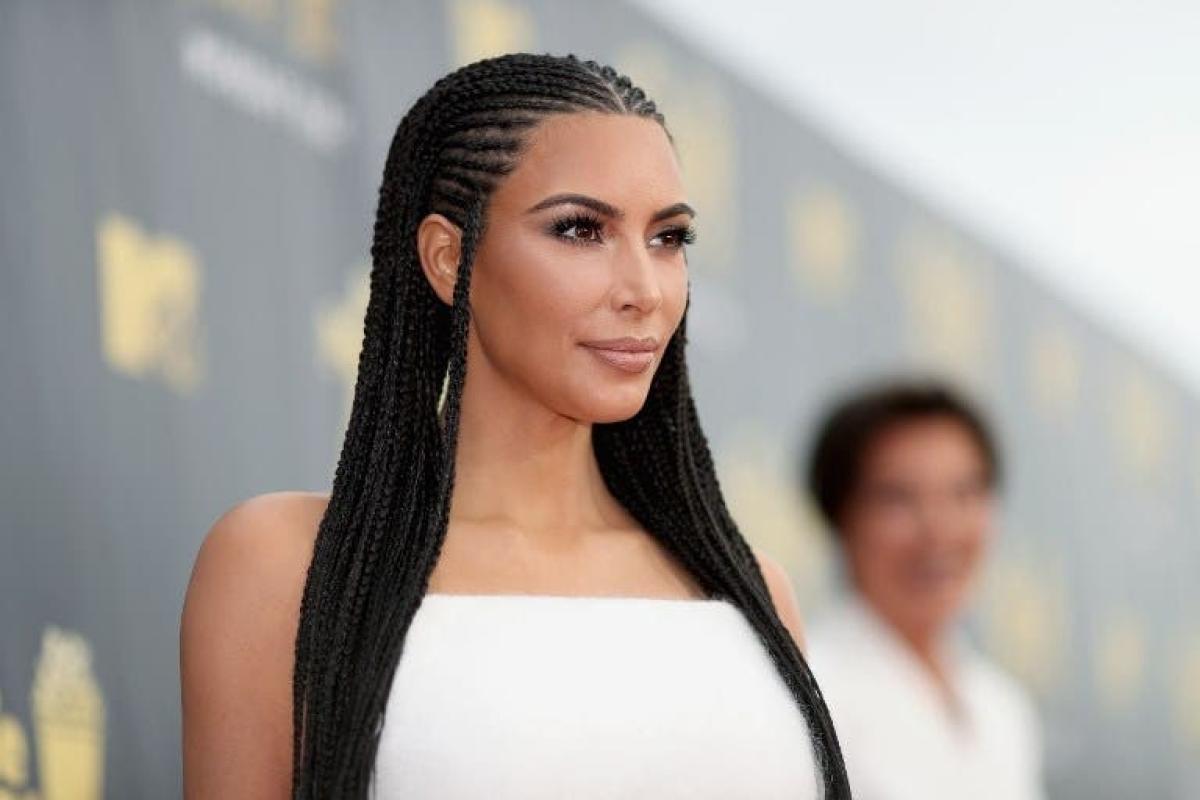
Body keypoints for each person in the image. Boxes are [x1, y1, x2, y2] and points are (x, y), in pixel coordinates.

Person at [180, 53, 850, 799]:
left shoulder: (754, 590)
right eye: (580, 229)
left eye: (668, 238)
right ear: (447, 257)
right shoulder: (284, 564)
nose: (644, 290)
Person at [802, 380, 1045, 800]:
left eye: (963, 493)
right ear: (840, 516)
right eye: (898, 498)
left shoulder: (1002, 707)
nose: (939, 530)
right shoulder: (810, 695)